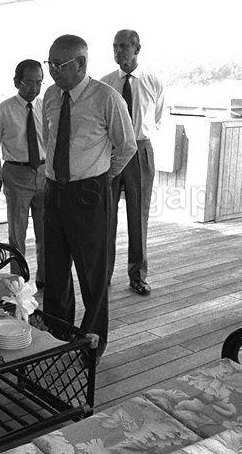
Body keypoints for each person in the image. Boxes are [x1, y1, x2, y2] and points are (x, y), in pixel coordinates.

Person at [42, 35, 137, 356]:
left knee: (93, 271)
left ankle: (92, 341)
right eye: (50, 63)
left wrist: (102, 177)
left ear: (81, 63)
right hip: (53, 189)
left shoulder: (106, 98)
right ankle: (57, 331)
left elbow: (127, 146)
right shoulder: (51, 96)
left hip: (89, 192)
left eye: (60, 64)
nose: (53, 71)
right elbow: (49, 139)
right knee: (54, 268)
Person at [100, 29, 166, 296]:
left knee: (139, 216)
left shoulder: (152, 82)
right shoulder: (104, 84)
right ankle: (102, 273)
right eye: (115, 46)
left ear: (137, 48)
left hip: (140, 150)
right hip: (111, 152)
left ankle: (137, 275)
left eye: (124, 46)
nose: (119, 52)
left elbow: (158, 117)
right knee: (105, 215)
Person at [0, 59, 46, 287]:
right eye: (29, 82)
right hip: (16, 173)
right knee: (17, 233)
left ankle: (44, 280)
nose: (34, 87)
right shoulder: (3, 110)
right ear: (16, 82)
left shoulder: (45, 107)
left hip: (43, 173)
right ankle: (17, 282)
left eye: (39, 82)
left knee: (46, 233)